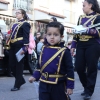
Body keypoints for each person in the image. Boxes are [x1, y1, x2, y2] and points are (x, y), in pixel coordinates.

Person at [29, 22, 74, 100]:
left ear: (61, 36)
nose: (52, 37)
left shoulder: (64, 51)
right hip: (43, 83)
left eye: (56, 35)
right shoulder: (43, 49)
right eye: (49, 34)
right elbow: (39, 67)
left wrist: (70, 86)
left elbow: (70, 70)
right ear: (45, 36)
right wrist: (35, 76)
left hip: (58, 84)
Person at [71, 0, 100, 100]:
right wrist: (73, 46)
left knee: (92, 68)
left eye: (84, 5)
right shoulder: (81, 17)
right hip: (81, 44)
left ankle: (89, 91)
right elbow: (76, 33)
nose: (82, 7)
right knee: (79, 67)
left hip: (93, 44)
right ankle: (86, 86)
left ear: (90, 5)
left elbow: (99, 32)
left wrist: (86, 29)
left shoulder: (98, 17)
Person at [8, 9, 31, 91]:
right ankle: (20, 80)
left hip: (20, 46)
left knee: (19, 66)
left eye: (18, 13)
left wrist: (24, 48)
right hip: (13, 45)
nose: (16, 14)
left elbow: (26, 36)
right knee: (11, 65)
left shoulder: (25, 24)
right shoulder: (14, 24)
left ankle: (17, 84)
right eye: (16, 13)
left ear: (23, 15)